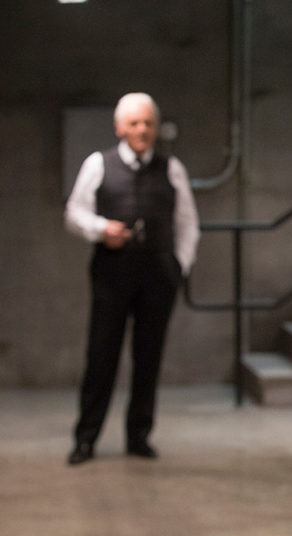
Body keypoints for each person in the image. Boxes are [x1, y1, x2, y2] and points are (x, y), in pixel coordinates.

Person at [64, 92, 200, 465]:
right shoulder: (99, 164)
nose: (141, 130)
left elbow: (187, 222)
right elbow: (74, 212)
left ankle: (139, 436)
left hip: (158, 276)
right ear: (119, 128)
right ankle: (86, 438)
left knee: (148, 356)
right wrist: (100, 229)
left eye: (148, 123)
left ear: (156, 128)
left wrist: (180, 265)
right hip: (112, 273)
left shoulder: (171, 168)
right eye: (134, 123)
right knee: (101, 355)